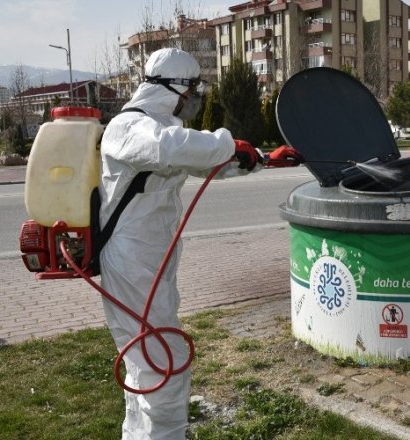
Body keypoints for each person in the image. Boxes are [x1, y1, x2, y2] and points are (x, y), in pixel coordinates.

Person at [98, 48, 280, 440]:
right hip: (132, 261)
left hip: (151, 259)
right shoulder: (130, 127)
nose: (196, 98)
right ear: (175, 87)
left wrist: (263, 157)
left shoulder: (162, 126)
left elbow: (207, 161)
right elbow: (172, 147)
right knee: (164, 361)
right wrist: (230, 144)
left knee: (144, 361)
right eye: (193, 89)